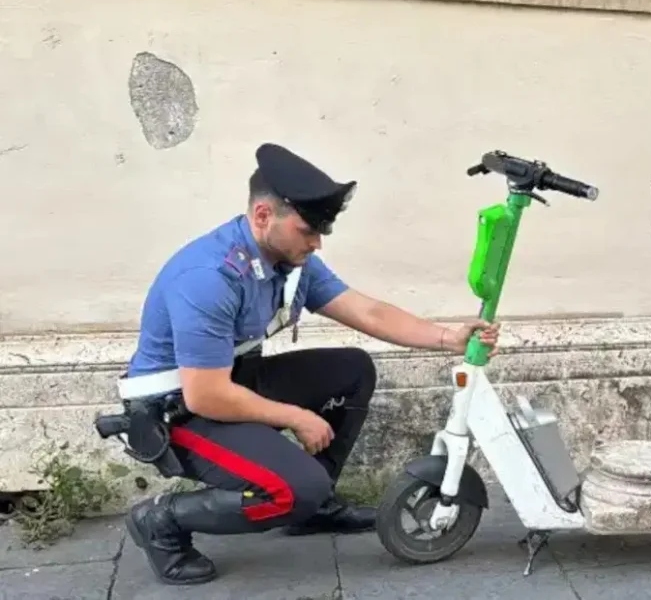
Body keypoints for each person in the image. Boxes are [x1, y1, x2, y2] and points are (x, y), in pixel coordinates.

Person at [113, 143, 501, 586]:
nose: (316, 242)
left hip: (233, 382)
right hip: (179, 410)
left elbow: (367, 312)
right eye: (307, 230)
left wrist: (448, 337)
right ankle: (162, 521)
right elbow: (206, 395)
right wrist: (296, 417)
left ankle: (314, 508)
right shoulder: (209, 277)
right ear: (263, 216)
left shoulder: (289, 260)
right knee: (296, 488)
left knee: (353, 370)